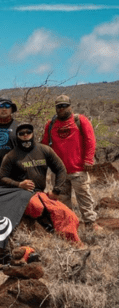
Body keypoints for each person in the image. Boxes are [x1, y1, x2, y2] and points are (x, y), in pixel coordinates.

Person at [41, 95, 101, 231]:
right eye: (59, 106)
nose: (61, 108)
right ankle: (69, 225)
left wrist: (88, 160)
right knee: (63, 200)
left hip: (78, 168)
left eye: (64, 105)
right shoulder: (50, 124)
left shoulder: (80, 121)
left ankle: (90, 223)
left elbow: (90, 140)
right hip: (59, 171)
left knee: (84, 197)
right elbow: (45, 144)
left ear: (70, 106)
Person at [0, 123, 67, 197]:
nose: (25, 135)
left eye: (28, 132)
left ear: (33, 133)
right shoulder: (11, 155)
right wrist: (19, 184)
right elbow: (2, 177)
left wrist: (56, 191)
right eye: (21, 133)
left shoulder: (45, 150)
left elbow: (61, 169)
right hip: (19, 195)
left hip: (40, 194)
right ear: (17, 136)